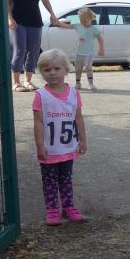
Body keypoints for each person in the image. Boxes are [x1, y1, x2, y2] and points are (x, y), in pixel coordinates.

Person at [32, 49, 87, 226]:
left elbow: (78, 118)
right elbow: (38, 122)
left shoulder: (74, 93)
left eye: (57, 68)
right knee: (49, 180)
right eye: (47, 69)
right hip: (50, 149)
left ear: (66, 70)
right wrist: (40, 146)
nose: (52, 73)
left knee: (66, 178)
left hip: (68, 147)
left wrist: (83, 140)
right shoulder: (41, 95)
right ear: (41, 72)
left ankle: (69, 207)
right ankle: (52, 209)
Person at [7, 0, 58, 92]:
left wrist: (52, 14)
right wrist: (9, 18)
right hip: (18, 21)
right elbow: (6, 0)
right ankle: (16, 82)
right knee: (19, 50)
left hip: (35, 21)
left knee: (33, 51)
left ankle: (28, 81)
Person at [50, 7, 104, 91]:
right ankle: (78, 83)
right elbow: (67, 26)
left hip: (89, 53)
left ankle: (91, 84)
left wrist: (101, 49)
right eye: (81, 21)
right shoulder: (79, 26)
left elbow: (100, 39)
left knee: (88, 68)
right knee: (78, 69)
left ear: (90, 18)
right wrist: (57, 23)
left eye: (85, 21)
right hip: (78, 53)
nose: (83, 23)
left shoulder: (94, 29)